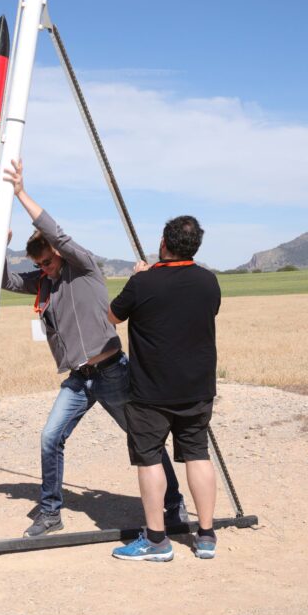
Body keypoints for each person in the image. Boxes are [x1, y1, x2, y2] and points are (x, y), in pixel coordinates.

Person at [1, 159, 187, 537]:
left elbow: (57, 234)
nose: (45, 268)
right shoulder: (44, 281)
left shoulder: (83, 267)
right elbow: (5, 280)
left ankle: (174, 505)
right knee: (50, 437)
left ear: (59, 253)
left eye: (48, 261)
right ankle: (50, 513)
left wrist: (20, 193)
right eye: (39, 264)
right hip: (78, 380)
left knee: (143, 440)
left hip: (112, 373)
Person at [108, 215, 221, 561]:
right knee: (198, 454)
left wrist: (138, 277)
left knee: (149, 459)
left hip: (150, 392)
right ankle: (206, 536)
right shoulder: (209, 281)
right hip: (197, 388)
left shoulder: (143, 282)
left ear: (163, 243)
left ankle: (157, 540)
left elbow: (113, 316)